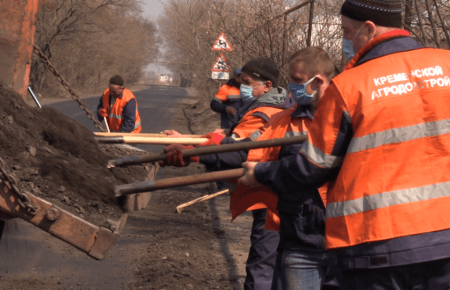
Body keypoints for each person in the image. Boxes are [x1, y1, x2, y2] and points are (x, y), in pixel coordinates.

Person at [240, 0, 450, 289]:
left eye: (347, 32)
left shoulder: (351, 84)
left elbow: (312, 166)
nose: (346, 41)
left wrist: (260, 173)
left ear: (369, 28)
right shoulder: (446, 64)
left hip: (377, 243)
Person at [162, 58, 295, 290]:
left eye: (247, 82)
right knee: (282, 268)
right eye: (240, 82)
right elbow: (230, 138)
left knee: (262, 267)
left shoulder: (264, 112)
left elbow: (237, 151)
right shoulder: (282, 104)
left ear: (267, 85)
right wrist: (188, 140)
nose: (242, 87)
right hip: (283, 196)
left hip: (270, 200)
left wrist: (195, 154)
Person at [228, 47, 340, 290]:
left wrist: (262, 173)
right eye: (290, 79)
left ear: (318, 80)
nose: (291, 87)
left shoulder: (347, 118)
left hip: (343, 240)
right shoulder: (283, 120)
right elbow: (245, 151)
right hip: (299, 238)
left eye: (297, 81)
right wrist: (196, 153)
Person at [210, 67, 243, 131]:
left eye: (242, 77)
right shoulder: (226, 88)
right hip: (229, 128)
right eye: (238, 77)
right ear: (234, 76)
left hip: (245, 127)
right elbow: (214, 104)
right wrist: (226, 108)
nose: (240, 79)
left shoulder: (251, 88)